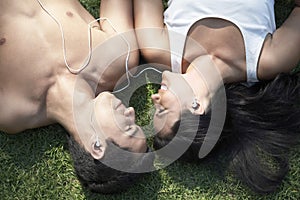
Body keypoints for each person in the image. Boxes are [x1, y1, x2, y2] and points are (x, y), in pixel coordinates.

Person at [133, 0, 300, 193]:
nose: (154, 98)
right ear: (196, 106)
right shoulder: (270, 60)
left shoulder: (156, 47)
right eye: (162, 110)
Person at [0, 0, 154, 194]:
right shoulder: (119, 58)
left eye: (130, 128)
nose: (132, 112)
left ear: (97, 146)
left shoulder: (12, 111)